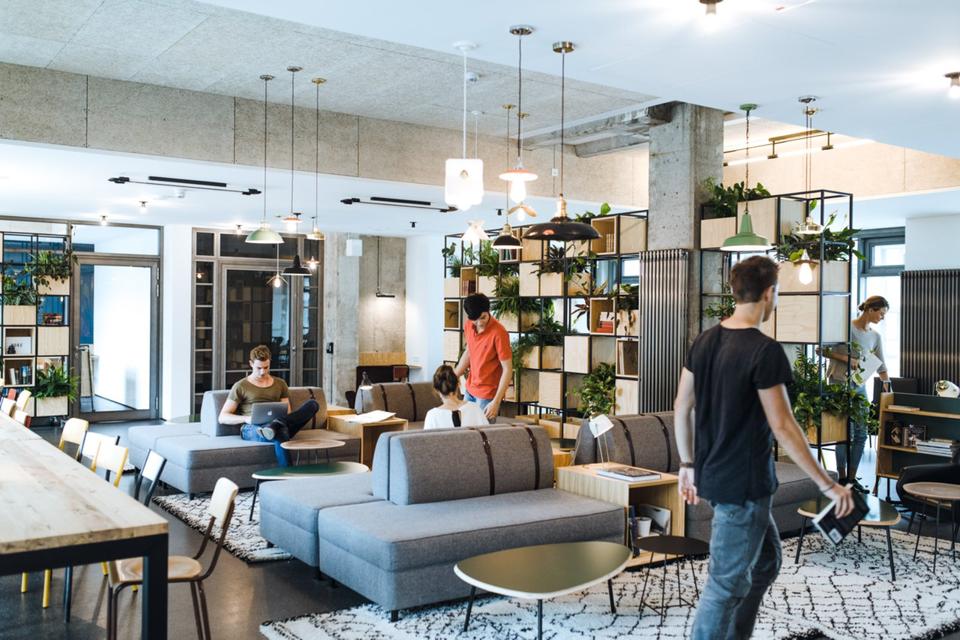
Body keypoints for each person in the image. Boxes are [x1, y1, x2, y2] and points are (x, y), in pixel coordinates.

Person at [674, 256, 853, 640]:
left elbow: (682, 406)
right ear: (770, 293)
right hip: (743, 487)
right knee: (724, 586)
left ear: (735, 290)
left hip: (716, 478)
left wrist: (687, 464)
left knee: (766, 562)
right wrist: (828, 485)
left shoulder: (704, 341)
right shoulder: (764, 350)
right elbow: (783, 426)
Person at [823, 295, 891, 491]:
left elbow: (881, 366)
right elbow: (823, 350)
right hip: (838, 384)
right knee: (843, 432)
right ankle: (841, 477)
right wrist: (848, 359)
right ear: (870, 310)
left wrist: (887, 384)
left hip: (859, 386)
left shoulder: (875, 336)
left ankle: (852, 480)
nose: (882, 318)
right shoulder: (846, 329)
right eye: (881, 313)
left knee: (861, 433)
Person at [219, 344, 319, 466]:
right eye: (259, 368)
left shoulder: (280, 383)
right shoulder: (241, 386)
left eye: (266, 367)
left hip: (280, 423)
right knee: (280, 432)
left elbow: (287, 412)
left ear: (270, 363)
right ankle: (287, 472)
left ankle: (275, 425)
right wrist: (246, 419)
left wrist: (279, 421)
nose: (263, 372)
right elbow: (222, 417)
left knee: (313, 405)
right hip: (253, 428)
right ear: (251, 364)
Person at [454, 293, 512, 420]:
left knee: (483, 432)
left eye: (483, 317)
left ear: (488, 311)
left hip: (487, 396)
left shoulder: (499, 333)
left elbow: (507, 369)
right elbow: (469, 352)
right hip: (470, 390)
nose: (480, 323)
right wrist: (454, 376)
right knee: (464, 429)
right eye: (475, 320)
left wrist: (496, 402)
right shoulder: (469, 326)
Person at [423, 364, 489, 430]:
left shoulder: (432, 416)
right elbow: (488, 433)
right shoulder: (475, 408)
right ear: (458, 384)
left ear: (437, 390)